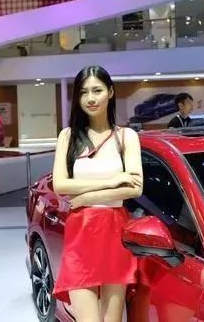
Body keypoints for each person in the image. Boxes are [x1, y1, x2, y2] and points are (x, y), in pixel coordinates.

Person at [52, 65, 143, 322]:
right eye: (83, 92)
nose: (90, 98)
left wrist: (83, 198)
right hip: (80, 235)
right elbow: (60, 185)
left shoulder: (126, 136)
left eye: (97, 90)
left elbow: (135, 188)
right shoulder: (68, 137)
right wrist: (113, 181)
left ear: (110, 92)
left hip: (114, 233)